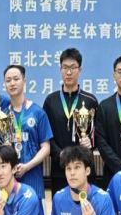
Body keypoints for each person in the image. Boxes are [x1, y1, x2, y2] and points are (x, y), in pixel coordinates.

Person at [42, 49, 101, 193]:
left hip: (85, 168)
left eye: (73, 67)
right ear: (60, 69)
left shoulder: (91, 100)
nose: (69, 72)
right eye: (65, 67)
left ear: (80, 70)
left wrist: (91, 143)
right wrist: (61, 155)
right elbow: (46, 135)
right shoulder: (51, 101)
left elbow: (98, 132)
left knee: (87, 205)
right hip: (60, 168)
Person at [2, 64, 53, 199]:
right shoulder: (2, 116)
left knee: (35, 210)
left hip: (33, 177)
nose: (12, 83)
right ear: (4, 85)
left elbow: (46, 148)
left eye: (16, 79)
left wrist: (27, 166)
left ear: (24, 82)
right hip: (9, 180)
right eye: (8, 80)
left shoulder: (37, 112)